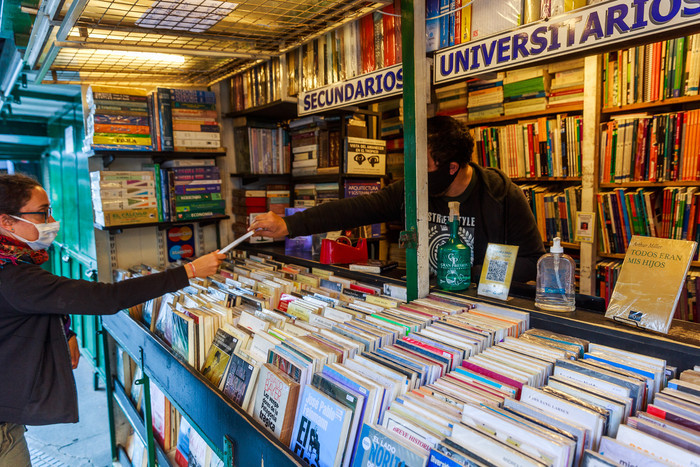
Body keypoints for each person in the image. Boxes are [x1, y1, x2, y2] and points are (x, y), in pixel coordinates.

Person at [0, 174, 226, 466]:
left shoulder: (13, 263)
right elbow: (107, 298)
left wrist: (66, 330)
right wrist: (189, 271)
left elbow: (40, 301)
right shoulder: (14, 276)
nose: (51, 220)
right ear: (7, 221)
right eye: (43, 212)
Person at [251, 115, 545, 283]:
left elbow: (533, 262)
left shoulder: (502, 195)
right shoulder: (412, 189)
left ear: (451, 167)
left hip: (479, 308)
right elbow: (354, 209)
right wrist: (289, 225)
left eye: (422, 165)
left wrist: (469, 272)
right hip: (422, 300)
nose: (413, 173)